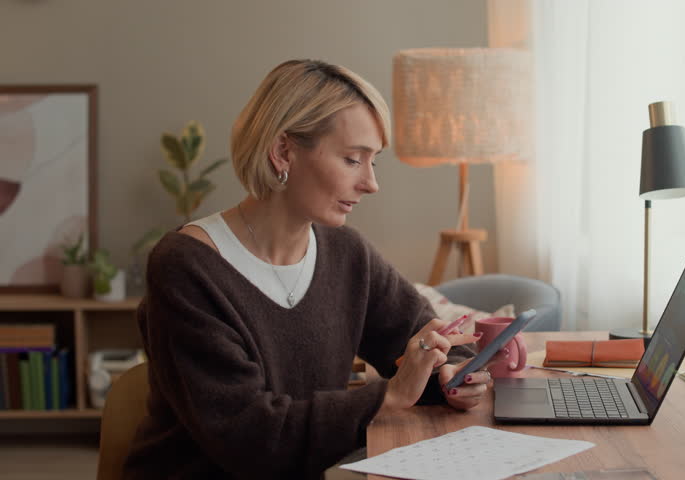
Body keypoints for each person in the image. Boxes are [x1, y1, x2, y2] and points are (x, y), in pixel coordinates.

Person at [123, 59, 495, 479]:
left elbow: (431, 337)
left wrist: (455, 375)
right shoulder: (186, 267)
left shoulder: (347, 253)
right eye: (353, 159)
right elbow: (247, 437)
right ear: (284, 151)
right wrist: (387, 396)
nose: (371, 183)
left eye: (374, 162)